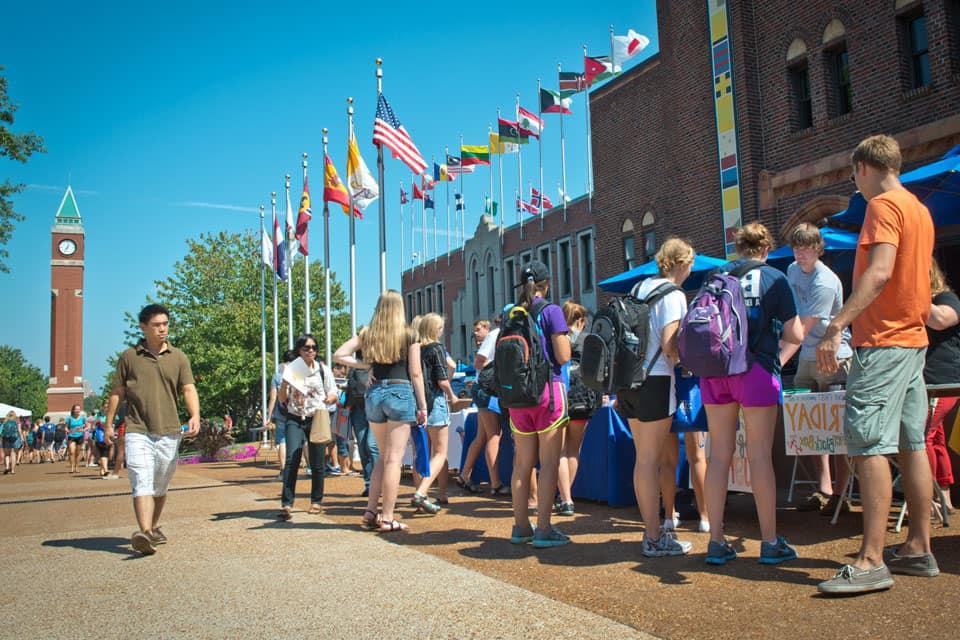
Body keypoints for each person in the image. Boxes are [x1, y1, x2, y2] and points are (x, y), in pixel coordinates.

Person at [816, 134, 936, 594]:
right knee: (911, 444)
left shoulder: (883, 206)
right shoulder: (919, 210)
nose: (855, 183)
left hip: (883, 341)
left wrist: (837, 326)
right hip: (912, 340)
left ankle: (870, 560)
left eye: (853, 174)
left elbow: (881, 271)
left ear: (864, 167)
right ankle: (917, 548)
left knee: (867, 444)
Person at [702, 223, 803, 566]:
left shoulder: (715, 276)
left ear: (738, 246)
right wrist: (778, 360)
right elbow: (796, 332)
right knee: (759, 456)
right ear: (765, 249)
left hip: (715, 373)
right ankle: (770, 541)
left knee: (718, 455)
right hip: (756, 369)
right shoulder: (774, 278)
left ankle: (716, 541)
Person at [617, 239, 696, 557]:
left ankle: (651, 532)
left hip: (628, 380)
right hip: (656, 380)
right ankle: (653, 536)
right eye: (689, 263)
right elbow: (669, 345)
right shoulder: (674, 295)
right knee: (651, 461)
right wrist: (688, 361)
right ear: (682, 263)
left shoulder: (639, 287)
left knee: (643, 460)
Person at [103, 303, 201, 556]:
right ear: (143, 327)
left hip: (169, 430)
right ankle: (144, 533)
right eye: (157, 325)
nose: (162, 329)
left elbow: (188, 388)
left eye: (165, 324)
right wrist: (109, 423)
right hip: (138, 428)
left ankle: (153, 526)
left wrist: (195, 415)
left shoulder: (178, 357)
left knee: (160, 485)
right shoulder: (129, 357)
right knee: (141, 479)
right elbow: (118, 393)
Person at [334, 289, 428, 533]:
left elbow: (339, 354)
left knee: (382, 459)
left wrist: (366, 364)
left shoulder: (368, 333)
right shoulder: (409, 334)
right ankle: (387, 517)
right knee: (394, 459)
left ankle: (370, 511)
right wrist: (423, 405)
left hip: (374, 394)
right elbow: (416, 372)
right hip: (400, 391)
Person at [782, 223, 854, 516]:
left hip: (832, 356)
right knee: (807, 427)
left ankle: (840, 494)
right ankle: (823, 488)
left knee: (836, 430)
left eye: (807, 247)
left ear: (818, 249)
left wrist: (777, 360)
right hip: (806, 357)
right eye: (797, 247)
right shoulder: (791, 270)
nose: (801, 253)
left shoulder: (825, 281)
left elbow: (804, 327)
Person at [506, 260, 572, 548]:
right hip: (548, 393)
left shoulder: (511, 313)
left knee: (521, 465)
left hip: (517, 397)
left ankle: (521, 526)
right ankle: (544, 528)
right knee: (548, 464)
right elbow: (563, 356)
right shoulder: (552, 311)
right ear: (546, 284)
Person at [276, 334, 339, 520]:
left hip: (316, 417)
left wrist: (330, 398)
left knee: (318, 462)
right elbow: (282, 399)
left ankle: (316, 501)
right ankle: (287, 503)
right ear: (299, 351)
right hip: (295, 417)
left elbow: (333, 391)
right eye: (306, 348)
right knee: (291, 459)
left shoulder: (322, 369)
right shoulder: (291, 370)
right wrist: (285, 385)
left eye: (313, 347)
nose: (311, 350)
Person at [411, 313, 458, 514]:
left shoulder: (414, 349)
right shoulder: (436, 348)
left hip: (417, 403)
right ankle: (422, 493)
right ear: (434, 329)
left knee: (420, 452)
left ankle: (421, 492)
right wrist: (453, 396)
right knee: (440, 453)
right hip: (436, 401)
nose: (442, 331)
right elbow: (442, 379)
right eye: (440, 328)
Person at [457, 314, 509, 495]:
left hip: (485, 391)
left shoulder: (496, 335)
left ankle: (464, 475)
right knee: (494, 435)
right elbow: (478, 362)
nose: (476, 333)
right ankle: (495, 484)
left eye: (479, 329)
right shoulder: (496, 335)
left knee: (482, 437)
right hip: (489, 392)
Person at [555, 301, 598, 516]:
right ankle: (567, 495)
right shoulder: (587, 340)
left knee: (560, 450)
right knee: (574, 449)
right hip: (583, 397)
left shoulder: (558, 339)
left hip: (561, 396)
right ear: (581, 320)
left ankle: (566, 499)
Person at [923, 259, 959, 514]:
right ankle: (943, 498)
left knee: (920, 437)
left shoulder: (946, 298)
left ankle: (927, 498)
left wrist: (912, 297)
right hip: (927, 382)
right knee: (935, 438)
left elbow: (940, 320)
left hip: (942, 382)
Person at [344, 342, 378, 497]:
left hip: (371, 410)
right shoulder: (354, 369)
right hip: (359, 410)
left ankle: (377, 482)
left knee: (370, 446)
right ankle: (370, 483)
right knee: (364, 447)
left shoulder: (376, 367)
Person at [266, 350, 296, 480]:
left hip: (281, 412)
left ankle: (284, 470)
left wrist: (268, 416)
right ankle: (309, 467)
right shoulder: (298, 373)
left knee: (282, 441)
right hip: (296, 411)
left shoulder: (277, 376)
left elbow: (273, 398)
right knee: (302, 440)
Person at [64, 404, 86, 474]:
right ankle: (72, 467)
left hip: (80, 436)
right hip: (71, 436)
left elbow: (88, 426)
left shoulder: (83, 418)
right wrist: (67, 430)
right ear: (73, 410)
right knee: (72, 452)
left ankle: (77, 466)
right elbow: (66, 427)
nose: (77, 410)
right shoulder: (69, 418)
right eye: (76, 409)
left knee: (77, 453)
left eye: (79, 409)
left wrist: (83, 430)